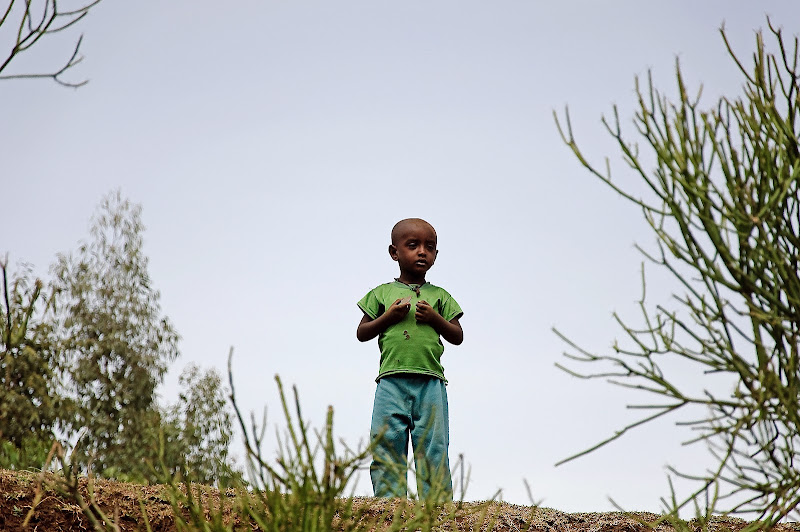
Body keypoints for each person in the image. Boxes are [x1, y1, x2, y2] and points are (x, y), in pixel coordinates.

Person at [356, 218, 463, 500]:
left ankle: (437, 504)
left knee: (433, 444)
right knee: (387, 440)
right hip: (391, 380)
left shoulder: (440, 296)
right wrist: (388, 317)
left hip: (430, 382)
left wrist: (435, 318)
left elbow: (457, 335)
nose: (422, 252)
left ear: (436, 256)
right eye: (413, 245)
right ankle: (390, 504)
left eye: (429, 247)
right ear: (395, 253)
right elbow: (362, 332)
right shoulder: (382, 293)